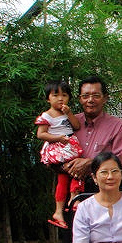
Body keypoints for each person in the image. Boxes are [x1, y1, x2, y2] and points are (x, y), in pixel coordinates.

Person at [64, 76, 122, 192]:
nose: (90, 100)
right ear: (80, 99)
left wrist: (92, 163)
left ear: (105, 98)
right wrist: (67, 166)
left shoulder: (118, 127)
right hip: (69, 188)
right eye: (85, 96)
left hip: (104, 191)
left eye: (96, 96)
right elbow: (53, 151)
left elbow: (121, 165)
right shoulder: (68, 123)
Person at [35, 80, 83, 229]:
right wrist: (58, 138)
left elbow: (76, 126)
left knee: (63, 179)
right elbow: (41, 134)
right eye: (55, 95)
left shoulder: (66, 113)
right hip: (58, 149)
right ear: (48, 99)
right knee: (76, 171)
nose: (60, 99)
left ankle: (59, 211)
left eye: (64, 95)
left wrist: (69, 113)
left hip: (69, 146)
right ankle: (74, 199)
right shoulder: (47, 115)